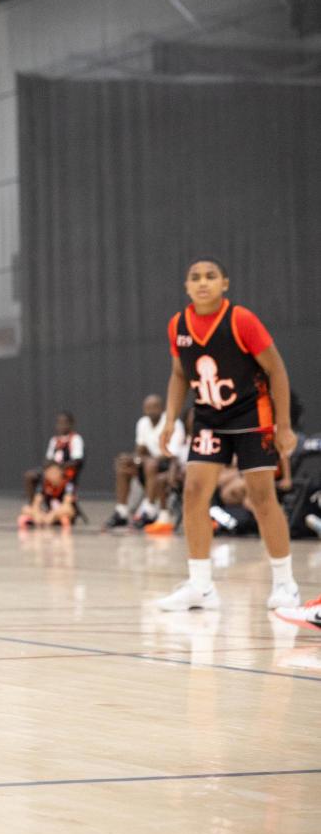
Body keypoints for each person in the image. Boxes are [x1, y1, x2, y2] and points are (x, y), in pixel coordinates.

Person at [155, 258, 302, 612]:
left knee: (262, 497)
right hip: (209, 417)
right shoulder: (178, 325)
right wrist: (170, 419)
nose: (202, 282)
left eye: (210, 276)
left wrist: (283, 425)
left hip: (252, 416)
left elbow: (277, 369)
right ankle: (201, 587)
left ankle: (285, 583)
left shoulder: (241, 319)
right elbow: (179, 374)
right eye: (195, 277)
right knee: (193, 492)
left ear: (225, 283)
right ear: (187, 287)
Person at [109, 395, 183, 529]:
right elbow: (140, 449)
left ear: (162, 408)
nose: (151, 411)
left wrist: (145, 459)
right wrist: (132, 458)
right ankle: (121, 511)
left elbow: (172, 454)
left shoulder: (173, 423)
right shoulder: (142, 423)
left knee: (150, 464)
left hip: (171, 466)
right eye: (148, 408)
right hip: (148, 463)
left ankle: (149, 510)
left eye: (154, 407)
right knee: (123, 464)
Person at [24, 411, 84, 504]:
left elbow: (77, 461)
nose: (62, 426)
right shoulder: (54, 440)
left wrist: (59, 467)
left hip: (66, 471)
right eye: (59, 423)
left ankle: (58, 504)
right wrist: (49, 465)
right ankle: (33, 505)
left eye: (65, 423)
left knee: (53, 476)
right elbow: (48, 458)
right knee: (30, 475)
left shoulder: (75, 439)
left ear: (71, 424)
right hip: (52, 469)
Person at [19, 461, 76, 529]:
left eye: (55, 472)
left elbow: (67, 504)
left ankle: (52, 520)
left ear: (61, 471)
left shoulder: (67, 484)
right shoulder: (44, 484)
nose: (53, 475)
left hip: (60, 512)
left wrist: (53, 514)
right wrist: (37, 514)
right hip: (47, 512)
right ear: (46, 474)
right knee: (26, 508)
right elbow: (36, 502)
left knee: (69, 510)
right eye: (50, 473)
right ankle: (41, 520)